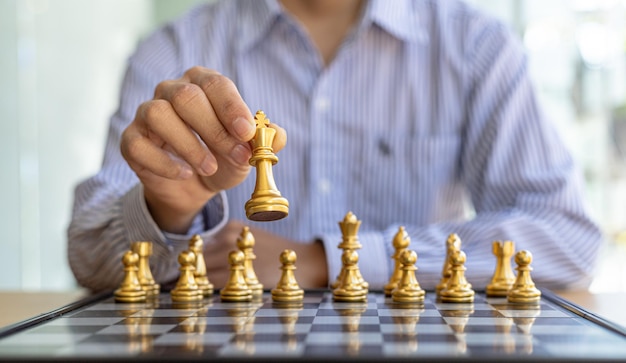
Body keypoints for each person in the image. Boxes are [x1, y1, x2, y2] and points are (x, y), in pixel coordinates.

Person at [67, 0, 603, 293]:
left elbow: (567, 237)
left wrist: (324, 259)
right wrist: (169, 206)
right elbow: (88, 256)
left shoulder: (478, 49)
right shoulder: (175, 50)